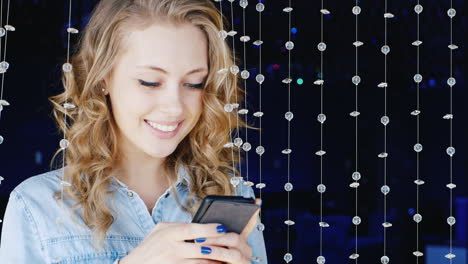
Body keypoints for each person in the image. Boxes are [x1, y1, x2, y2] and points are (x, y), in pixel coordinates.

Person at [0, 0, 267, 263]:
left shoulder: (232, 195)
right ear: (102, 78)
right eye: (149, 82)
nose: (174, 107)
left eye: (194, 83)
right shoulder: (36, 206)